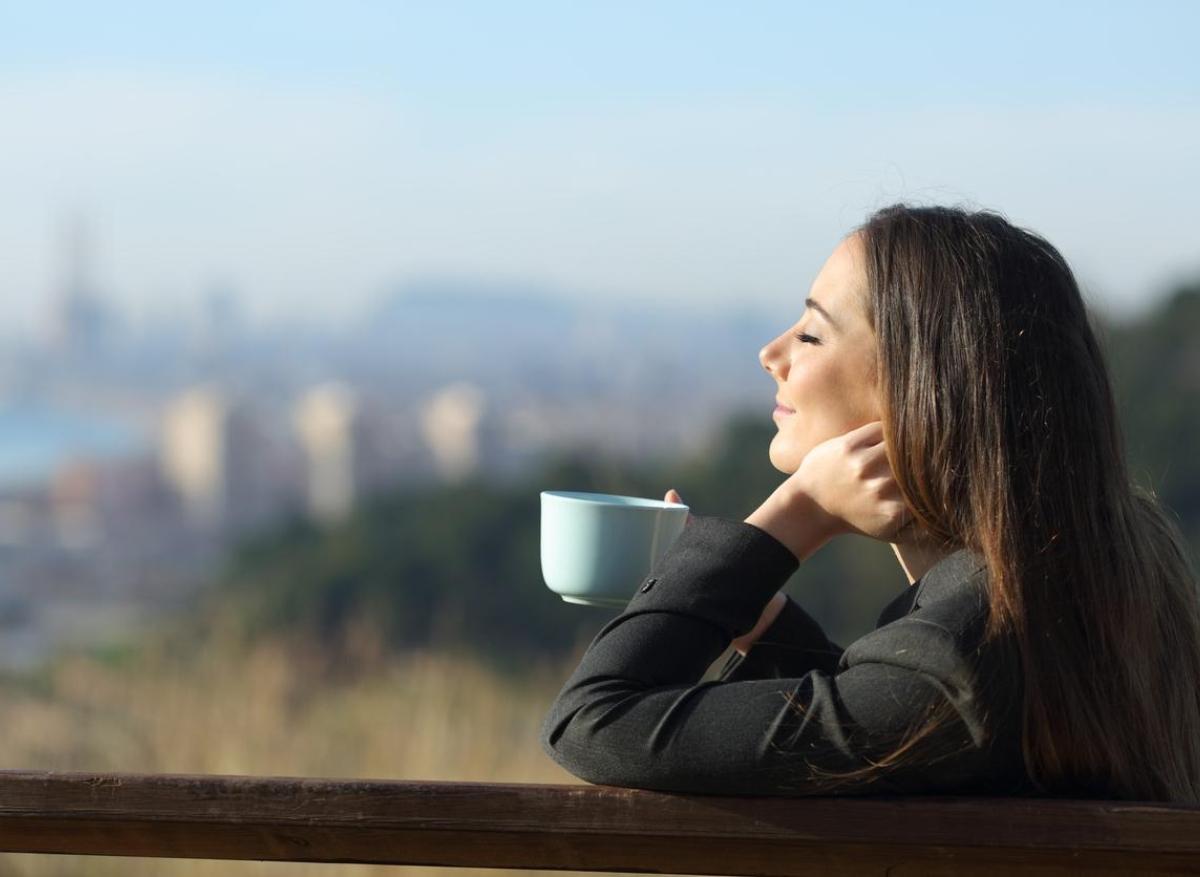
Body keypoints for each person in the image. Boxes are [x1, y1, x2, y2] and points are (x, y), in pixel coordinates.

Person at [539, 203, 1200, 801]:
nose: (772, 353)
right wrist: (758, 615)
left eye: (812, 335)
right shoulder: (1118, 580)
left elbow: (592, 721)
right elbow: (878, 729)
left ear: (919, 390)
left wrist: (794, 514)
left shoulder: (959, 662)